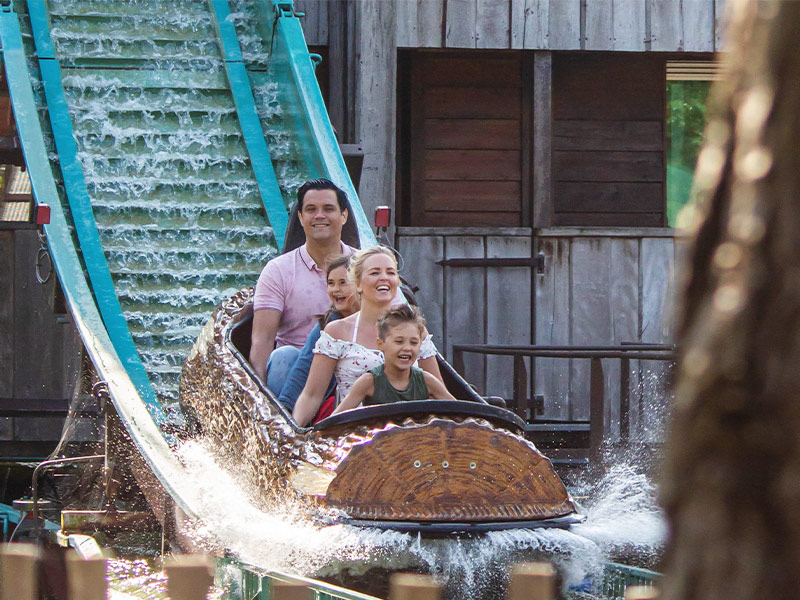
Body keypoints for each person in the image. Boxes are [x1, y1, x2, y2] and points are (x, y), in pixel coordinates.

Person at [292, 246, 444, 426]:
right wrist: (295, 431)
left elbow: (438, 393)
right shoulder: (337, 331)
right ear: (357, 284)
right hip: (355, 433)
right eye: (375, 273)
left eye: (390, 272)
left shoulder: (417, 330)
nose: (384, 278)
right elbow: (311, 395)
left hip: (410, 431)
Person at [249, 178, 353, 392]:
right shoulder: (278, 270)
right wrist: (259, 399)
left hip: (352, 366)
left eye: (328, 209)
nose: (319, 216)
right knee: (283, 357)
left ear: (344, 216)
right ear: (300, 217)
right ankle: (283, 418)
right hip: (297, 374)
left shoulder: (366, 265)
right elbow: (262, 339)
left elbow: (398, 322)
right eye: (311, 209)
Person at [332, 305, 454, 415]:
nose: (407, 348)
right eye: (399, 342)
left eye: (414, 343)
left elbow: (460, 413)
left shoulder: (427, 381)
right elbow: (335, 420)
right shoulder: (369, 382)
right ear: (381, 344)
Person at [277, 255, 359, 411]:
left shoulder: (380, 321)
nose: (336, 289)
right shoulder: (328, 325)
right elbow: (303, 368)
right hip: (332, 404)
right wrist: (286, 409)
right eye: (330, 283)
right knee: (284, 356)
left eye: (343, 283)